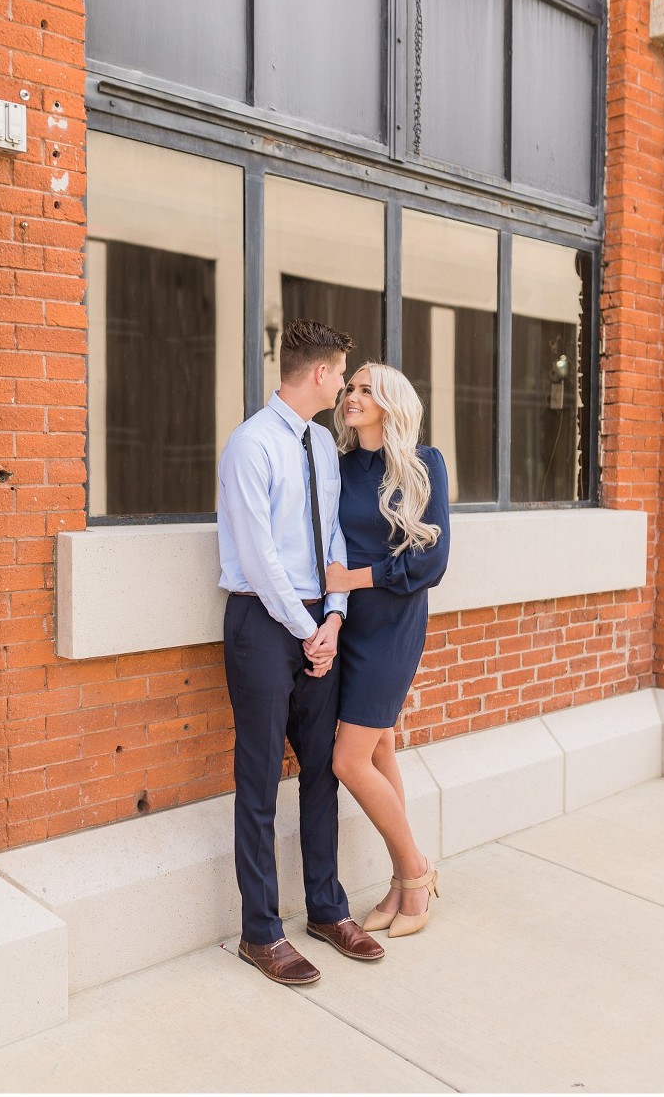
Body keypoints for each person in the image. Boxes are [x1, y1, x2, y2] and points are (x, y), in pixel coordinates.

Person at [217, 320, 385, 986]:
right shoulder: (250, 445)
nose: (344, 383)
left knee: (322, 771)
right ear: (320, 374)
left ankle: (326, 908)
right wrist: (303, 625)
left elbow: (336, 533)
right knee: (258, 782)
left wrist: (335, 616)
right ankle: (260, 932)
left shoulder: (322, 444)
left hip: (321, 625)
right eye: (341, 373)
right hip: (262, 626)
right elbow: (258, 557)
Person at [325, 362, 450, 938]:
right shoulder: (340, 465)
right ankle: (403, 886)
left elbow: (431, 562)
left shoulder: (425, 465)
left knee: (347, 759)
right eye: (350, 388)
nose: (353, 396)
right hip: (348, 627)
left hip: (394, 627)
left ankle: (415, 872)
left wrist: (355, 579)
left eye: (366, 389)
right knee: (379, 753)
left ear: (390, 402)